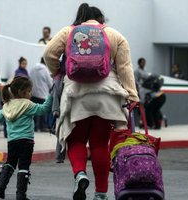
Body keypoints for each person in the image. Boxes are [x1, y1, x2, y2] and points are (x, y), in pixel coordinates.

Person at [44, 4, 139, 200]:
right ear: (100, 19)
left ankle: (80, 174)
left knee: (76, 140)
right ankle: (101, 193)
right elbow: (125, 67)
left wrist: (57, 72)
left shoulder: (68, 32)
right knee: (99, 144)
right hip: (108, 96)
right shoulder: (114, 35)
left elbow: (49, 54)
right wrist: (132, 94)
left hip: (76, 94)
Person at [0, 76, 52, 199]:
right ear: (21, 92)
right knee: (23, 166)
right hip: (26, 141)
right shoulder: (28, 105)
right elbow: (43, 109)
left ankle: (0, 185)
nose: (31, 93)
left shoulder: (7, 106)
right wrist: (51, 95)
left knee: (10, 163)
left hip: (12, 141)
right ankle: (20, 194)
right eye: (29, 91)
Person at [30, 57, 52, 132]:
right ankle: (43, 126)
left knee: (35, 111)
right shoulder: (45, 70)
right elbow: (50, 83)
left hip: (33, 93)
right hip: (43, 94)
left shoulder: (33, 68)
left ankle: (35, 127)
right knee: (43, 111)